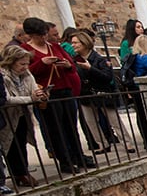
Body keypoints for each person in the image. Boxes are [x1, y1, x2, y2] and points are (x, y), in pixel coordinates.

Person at [21, 17, 91, 174]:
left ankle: (78, 156)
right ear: (31, 34)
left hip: (65, 89)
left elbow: (72, 66)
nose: (44, 37)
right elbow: (26, 72)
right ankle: (65, 161)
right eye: (40, 35)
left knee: (71, 126)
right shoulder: (26, 50)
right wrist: (42, 63)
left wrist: (67, 65)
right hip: (48, 93)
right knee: (56, 129)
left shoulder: (54, 47)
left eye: (45, 34)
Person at [1, 45, 46, 187]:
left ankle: (22, 172)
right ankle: (15, 174)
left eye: (27, 63)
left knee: (21, 143)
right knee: (9, 145)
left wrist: (40, 95)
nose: (25, 67)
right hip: (7, 116)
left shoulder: (27, 75)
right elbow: (6, 99)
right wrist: (30, 99)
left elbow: (33, 90)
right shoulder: (3, 76)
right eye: (22, 64)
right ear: (11, 61)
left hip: (22, 115)